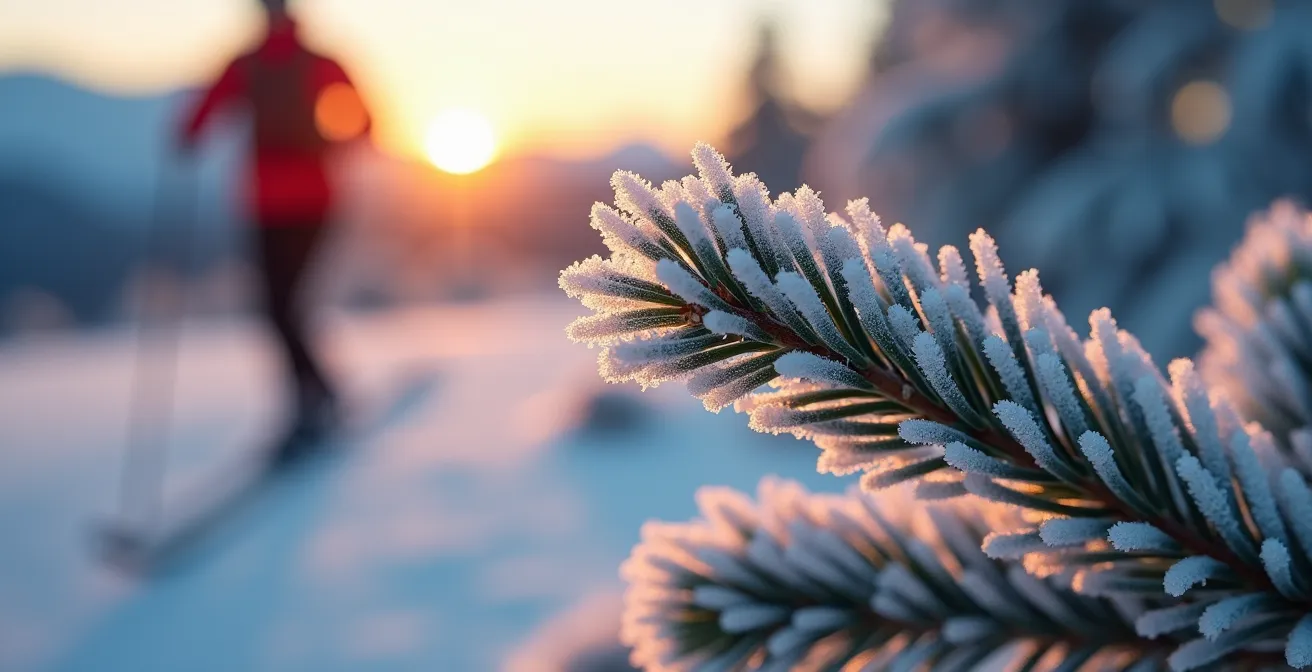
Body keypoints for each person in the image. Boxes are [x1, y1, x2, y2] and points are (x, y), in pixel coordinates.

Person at [179, 0, 372, 463]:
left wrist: (188, 137)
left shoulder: (246, 66)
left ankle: (314, 399)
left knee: (279, 307)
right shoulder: (319, 62)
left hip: (268, 203)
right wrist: (332, 147)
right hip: (311, 199)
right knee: (285, 307)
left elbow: (199, 120)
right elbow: (365, 122)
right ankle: (317, 396)